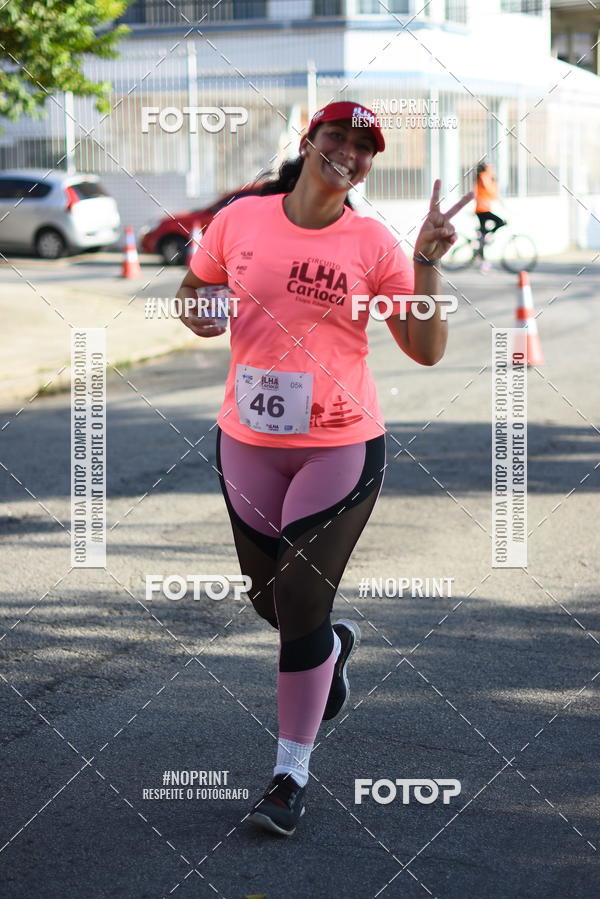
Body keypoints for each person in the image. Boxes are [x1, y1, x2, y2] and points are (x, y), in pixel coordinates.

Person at [176, 101, 473, 837]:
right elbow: (194, 291)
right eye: (337, 135)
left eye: (364, 146)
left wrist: (428, 261)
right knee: (271, 605)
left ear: (369, 165)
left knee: (302, 601)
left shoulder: (373, 242)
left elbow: (425, 348)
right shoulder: (240, 219)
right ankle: (334, 649)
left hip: (339, 444)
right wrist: (200, 312)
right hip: (247, 440)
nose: (349, 150)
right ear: (308, 141)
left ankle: (289, 773)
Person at [474, 162, 507, 269]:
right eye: (490, 167)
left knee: (483, 236)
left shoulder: (482, 177)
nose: (492, 169)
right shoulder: (484, 176)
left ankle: (483, 261)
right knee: (501, 222)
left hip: (483, 208)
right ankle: (488, 235)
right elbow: (491, 192)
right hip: (482, 209)